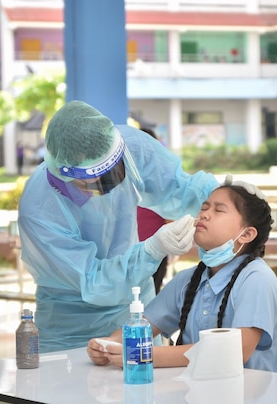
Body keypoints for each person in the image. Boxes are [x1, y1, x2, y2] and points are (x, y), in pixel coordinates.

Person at [17, 100, 220, 353]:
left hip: (135, 309)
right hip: (72, 326)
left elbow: (179, 188)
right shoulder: (40, 209)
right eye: (93, 183)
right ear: (65, 174)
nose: (107, 189)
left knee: (142, 382)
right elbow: (93, 281)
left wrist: (221, 194)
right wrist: (152, 250)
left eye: (114, 174)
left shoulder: (129, 146)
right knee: (71, 390)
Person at [87, 180, 277, 372]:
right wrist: (107, 346)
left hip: (250, 401)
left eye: (218, 210)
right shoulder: (189, 279)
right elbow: (142, 326)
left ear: (246, 234)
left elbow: (235, 352)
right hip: (197, 398)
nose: (205, 214)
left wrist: (144, 355)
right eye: (204, 208)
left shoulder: (257, 279)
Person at [137, 127, 169, 294]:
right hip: (139, 250)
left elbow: (171, 217)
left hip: (154, 250)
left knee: (145, 303)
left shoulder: (162, 177)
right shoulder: (122, 175)